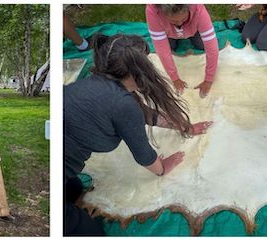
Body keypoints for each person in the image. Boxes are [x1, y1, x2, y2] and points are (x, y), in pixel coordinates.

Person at [63, 34, 213, 236]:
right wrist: (161, 168)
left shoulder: (97, 82)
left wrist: (184, 127)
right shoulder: (122, 104)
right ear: (139, 72)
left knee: (74, 189)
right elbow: (143, 154)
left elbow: (146, 114)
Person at [145, 4, 219, 98]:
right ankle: (174, 34)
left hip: (193, 29)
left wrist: (209, 79)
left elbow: (212, 48)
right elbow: (163, 52)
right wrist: (174, 78)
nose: (179, 23)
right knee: (170, 47)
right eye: (174, 21)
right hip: (168, 32)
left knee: (201, 45)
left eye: (184, 19)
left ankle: (187, 31)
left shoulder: (198, 8)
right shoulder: (152, 11)